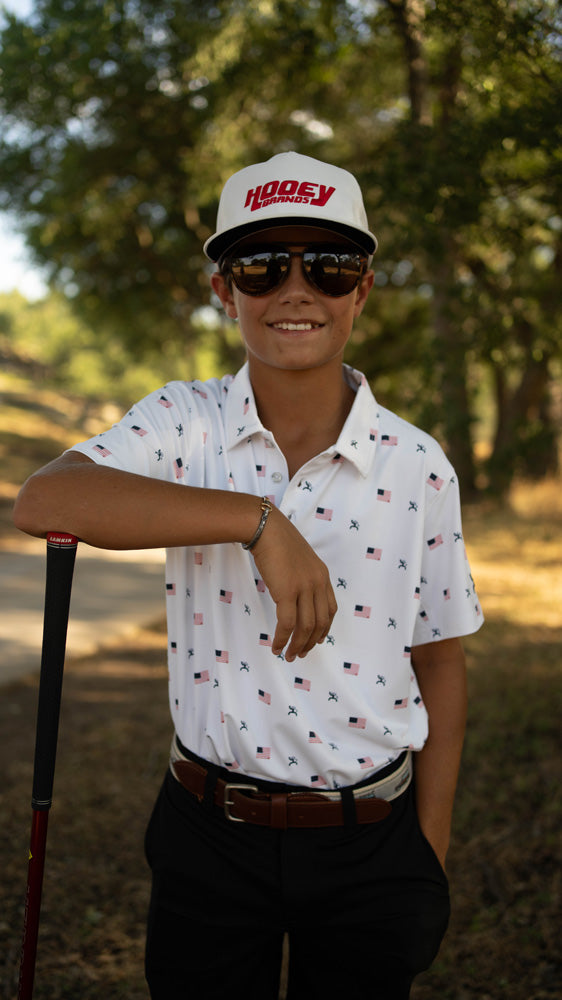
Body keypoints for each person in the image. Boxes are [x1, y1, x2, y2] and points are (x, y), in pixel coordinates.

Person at [14, 151, 483, 1000]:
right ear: (224, 291)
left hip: (372, 837)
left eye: (329, 265)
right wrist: (256, 521)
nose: (296, 290)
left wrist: (428, 851)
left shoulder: (418, 463)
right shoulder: (183, 423)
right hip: (209, 832)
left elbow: (441, 658)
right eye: (263, 266)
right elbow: (48, 497)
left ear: (363, 290)